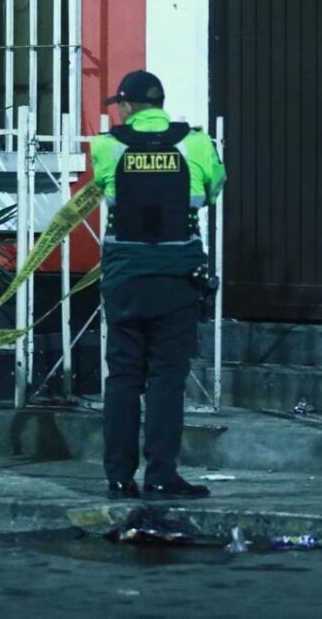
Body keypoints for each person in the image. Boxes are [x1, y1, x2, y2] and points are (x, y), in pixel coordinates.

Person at [90, 70, 226, 500]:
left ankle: (118, 477)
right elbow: (215, 187)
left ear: (127, 107)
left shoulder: (108, 146)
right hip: (176, 278)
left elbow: (99, 187)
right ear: (161, 105)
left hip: (126, 278)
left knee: (124, 377)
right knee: (167, 378)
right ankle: (162, 474)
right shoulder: (197, 143)